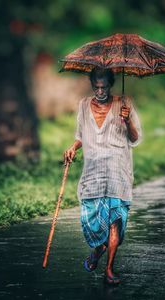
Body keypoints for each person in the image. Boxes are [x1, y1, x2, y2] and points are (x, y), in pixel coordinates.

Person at [64, 67, 142, 285]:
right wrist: (73, 148)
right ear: (92, 86)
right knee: (93, 222)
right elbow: (82, 135)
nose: (100, 91)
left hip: (118, 172)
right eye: (96, 87)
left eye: (104, 86)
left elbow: (134, 138)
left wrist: (127, 121)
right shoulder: (83, 105)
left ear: (111, 85)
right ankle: (97, 251)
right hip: (93, 174)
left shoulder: (124, 103)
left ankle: (109, 270)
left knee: (115, 222)